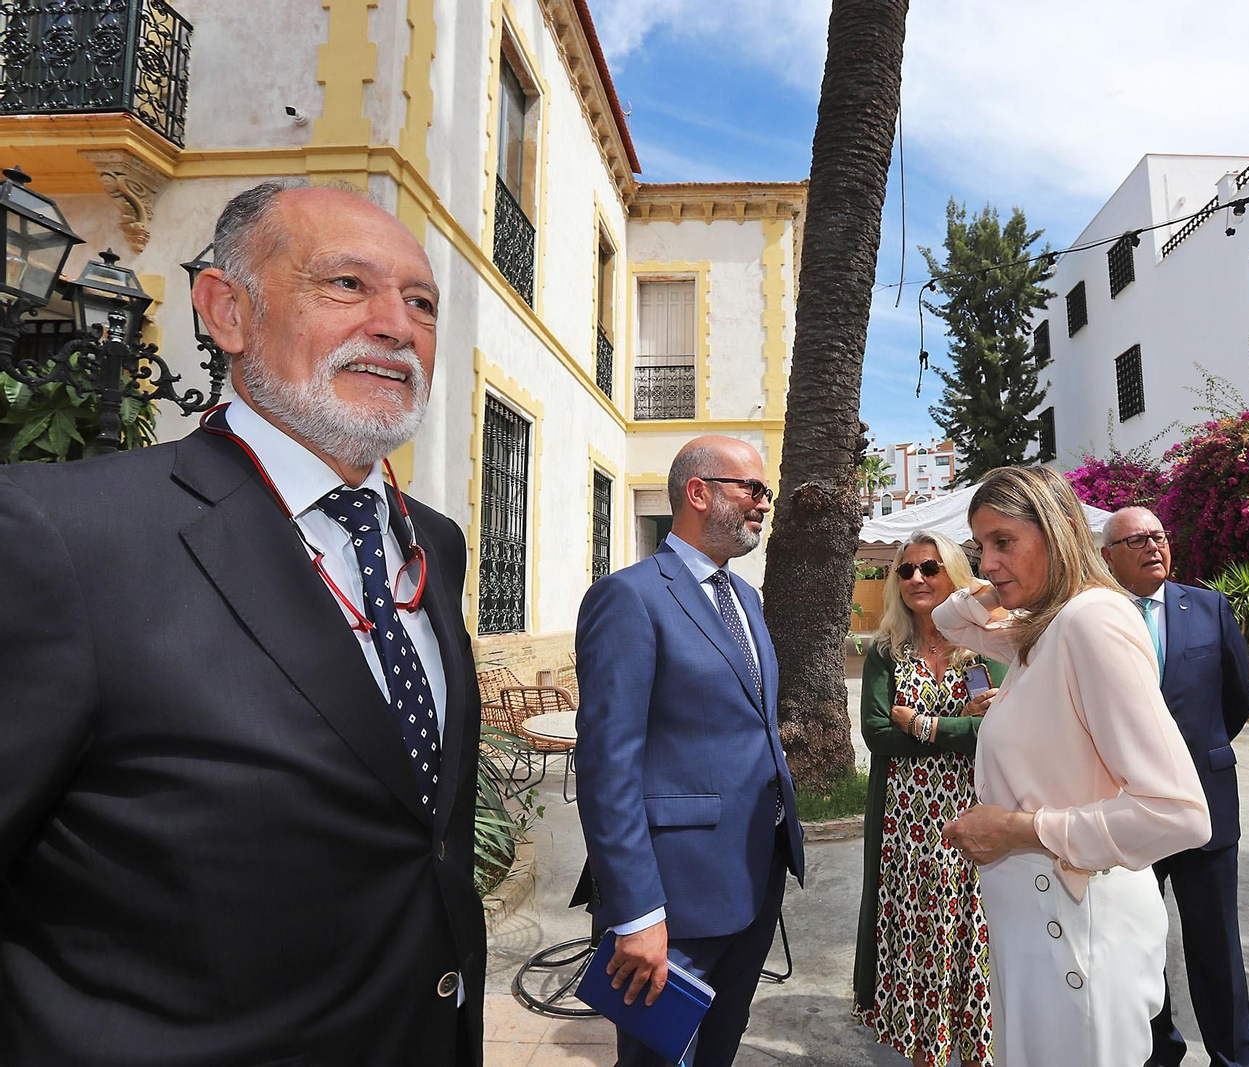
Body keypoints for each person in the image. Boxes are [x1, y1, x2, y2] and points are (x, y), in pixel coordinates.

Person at [0, 182, 485, 1064]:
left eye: (421, 302)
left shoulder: (437, 546)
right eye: (345, 285)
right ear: (228, 312)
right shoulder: (58, 539)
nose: (396, 325)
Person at [936, 466, 1211, 1066]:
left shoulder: (1091, 622)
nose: (986, 564)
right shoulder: (1045, 625)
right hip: (1043, 923)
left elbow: (1180, 814)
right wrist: (1001, 577)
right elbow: (948, 620)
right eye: (979, 547)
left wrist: (1017, 829)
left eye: (1003, 541)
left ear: (1060, 530)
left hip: (1076, 927)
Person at [573, 436, 804, 1067]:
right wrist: (637, 911)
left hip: (753, 882)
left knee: (716, 1055)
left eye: (767, 492)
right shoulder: (630, 597)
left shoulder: (745, 600)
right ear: (698, 493)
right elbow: (606, 765)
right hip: (672, 903)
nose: (764, 504)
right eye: (751, 489)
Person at [1098, 507, 1249, 1067]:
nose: (1153, 546)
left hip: (1206, 803)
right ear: (1107, 556)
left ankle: (1235, 1058)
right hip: (1125, 808)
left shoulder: (1209, 607)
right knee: (1139, 941)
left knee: (1216, 942)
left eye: (1159, 536)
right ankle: (1157, 1049)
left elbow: (1239, 698)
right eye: (1136, 539)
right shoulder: (1092, 617)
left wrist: (1195, 755)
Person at [852, 530, 1007, 1067]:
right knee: (918, 944)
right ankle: (925, 1052)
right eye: (907, 570)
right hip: (907, 826)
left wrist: (920, 724)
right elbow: (876, 732)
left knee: (975, 940)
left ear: (955, 576)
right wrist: (964, 724)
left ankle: (973, 1052)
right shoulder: (886, 651)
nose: (917, 578)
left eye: (930, 568)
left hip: (979, 818)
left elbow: (1002, 730)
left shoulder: (990, 644)